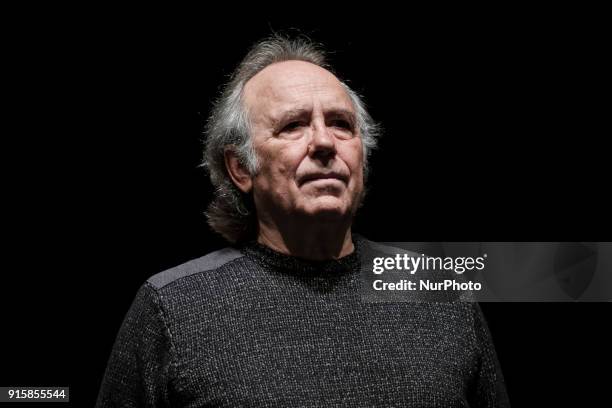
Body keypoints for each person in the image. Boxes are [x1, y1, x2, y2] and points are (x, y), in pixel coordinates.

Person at [96, 34, 510, 407]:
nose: (325, 142)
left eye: (341, 125)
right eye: (293, 126)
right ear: (241, 167)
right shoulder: (172, 306)